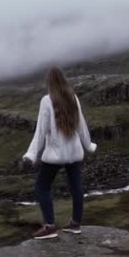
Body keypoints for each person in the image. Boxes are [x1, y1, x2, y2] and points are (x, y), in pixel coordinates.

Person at [22, 66, 97, 239]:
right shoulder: (73, 98)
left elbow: (40, 132)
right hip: (75, 153)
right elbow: (82, 127)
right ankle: (75, 224)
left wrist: (30, 155)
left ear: (49, 83)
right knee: (76, 187)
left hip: (55, 155)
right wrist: (89, 146)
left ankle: (49, 227)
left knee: (42, 187)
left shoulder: (46, 101)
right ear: (64, 81)